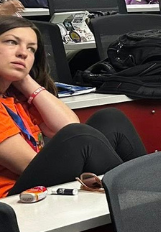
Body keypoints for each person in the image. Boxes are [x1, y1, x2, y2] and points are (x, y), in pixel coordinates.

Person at [0, 17, 145, 196]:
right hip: (12, 200)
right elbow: (26, 164)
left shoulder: (14, 97)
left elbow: (66, 125)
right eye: (12, 42)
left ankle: (146, 189)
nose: (23, 53)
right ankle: (137, 199)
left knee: (110, 118)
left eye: (31, 49)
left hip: (35, 182)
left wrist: (25, 80)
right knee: (80, 137)